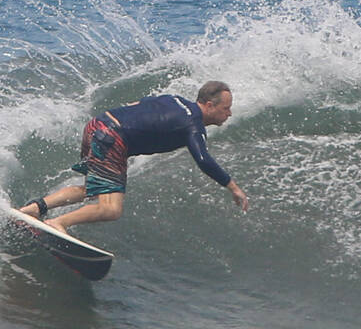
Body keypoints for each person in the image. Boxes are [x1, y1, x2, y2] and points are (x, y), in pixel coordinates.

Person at [19, 80, 249, 234]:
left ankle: (35, 208)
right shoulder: (193, 125)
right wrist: (233, 187)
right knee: (111, 209)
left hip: (97, 125)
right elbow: (203, 159)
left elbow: (146, 103)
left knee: (93, 190)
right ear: (209, 105)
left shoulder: (175, 99)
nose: (229, 113)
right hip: (113, 138)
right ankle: (58, 222)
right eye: (226, 109)